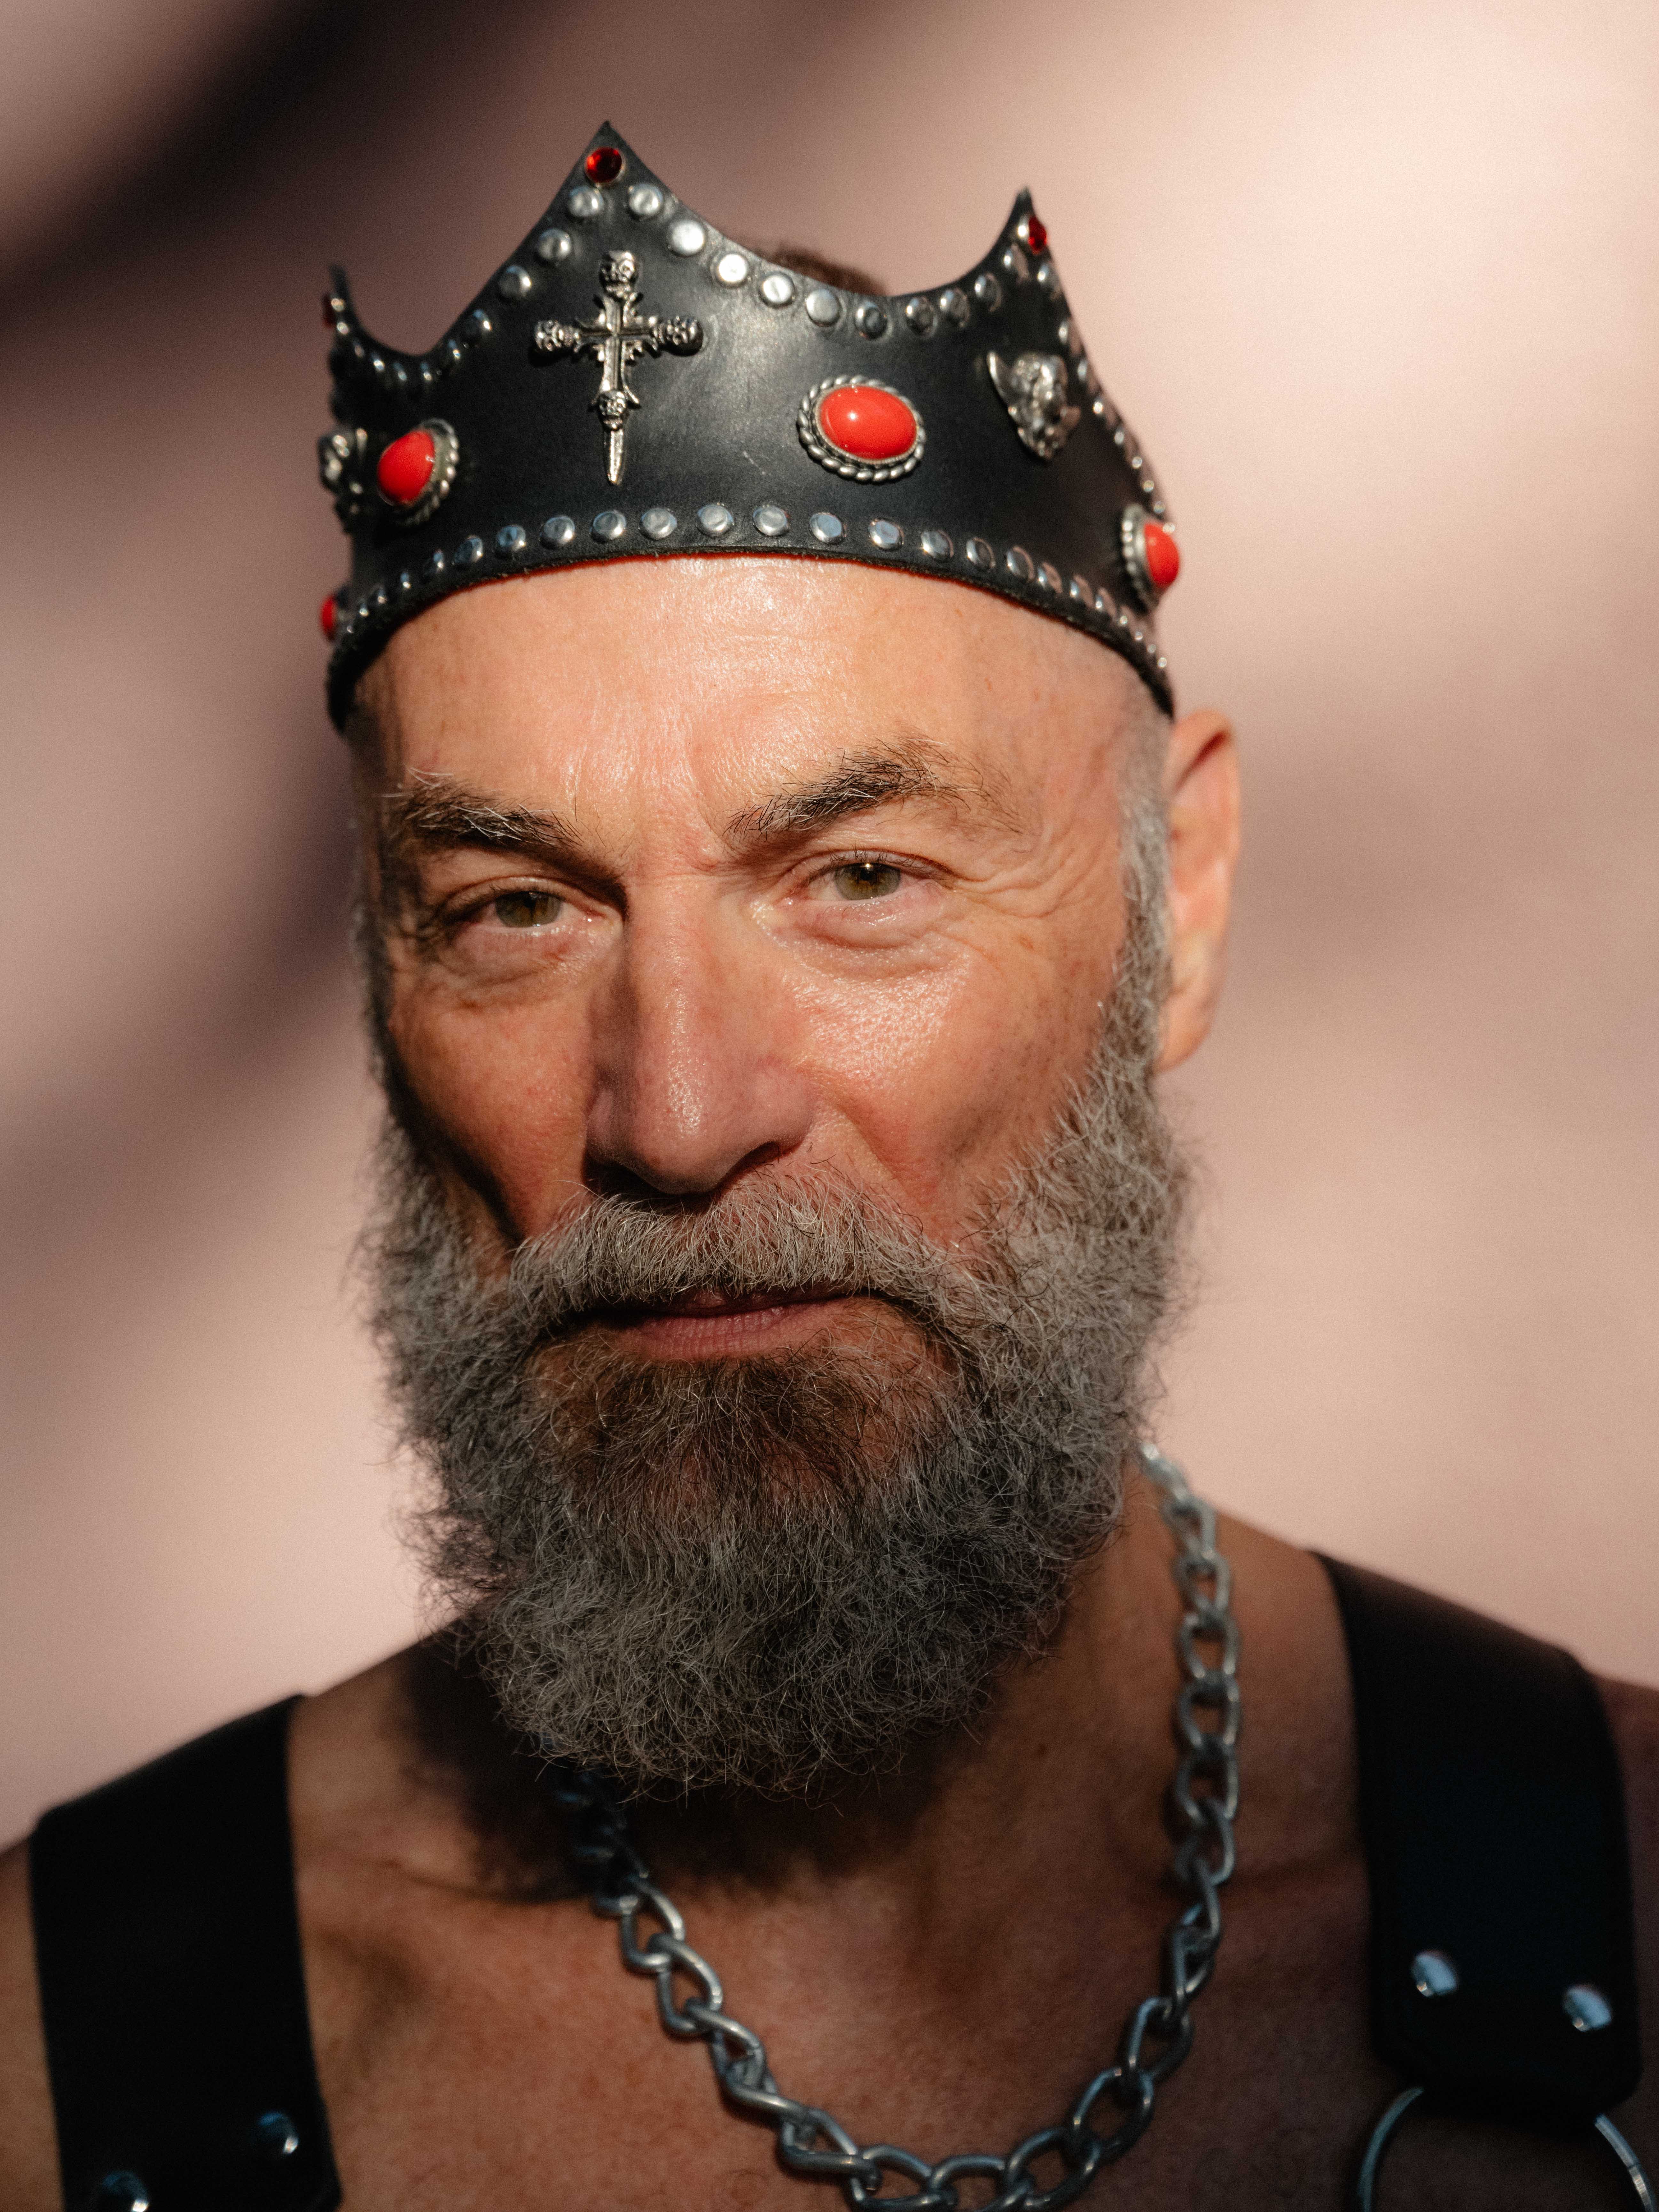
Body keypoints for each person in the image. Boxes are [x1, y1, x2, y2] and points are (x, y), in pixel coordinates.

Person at [2, 128, 1655, 2212]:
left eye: (858, 878)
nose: (678, 1117)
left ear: (1184, 913)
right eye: (517, 908)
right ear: (377, 973)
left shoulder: (1630, 1921)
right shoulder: (62, 2075)